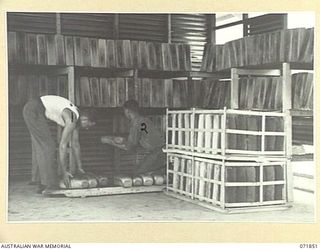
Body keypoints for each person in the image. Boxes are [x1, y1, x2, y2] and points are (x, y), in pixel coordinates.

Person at [23, 95, 95, 194]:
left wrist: (80, 167)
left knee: (41, 147)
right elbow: (62, 145)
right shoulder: (72, 119)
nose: (87, 128)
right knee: (49, 147)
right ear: (85, 119)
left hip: (32, 108)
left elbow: (75, 144)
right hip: (34, 109)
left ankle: (39, 181)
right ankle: (47, 184)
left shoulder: (75, 116)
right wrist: (64, 171)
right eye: (88, 126)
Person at [101, 100, 166, 176]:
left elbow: (129, 147)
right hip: (162, 151)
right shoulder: (144, 120)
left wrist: (109, 141)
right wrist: (123, 140)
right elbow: (144, 136)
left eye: (124, 111)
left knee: (138, 174)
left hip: (157, 154)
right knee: (142, 171)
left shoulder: (136, 123)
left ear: (127, 111)